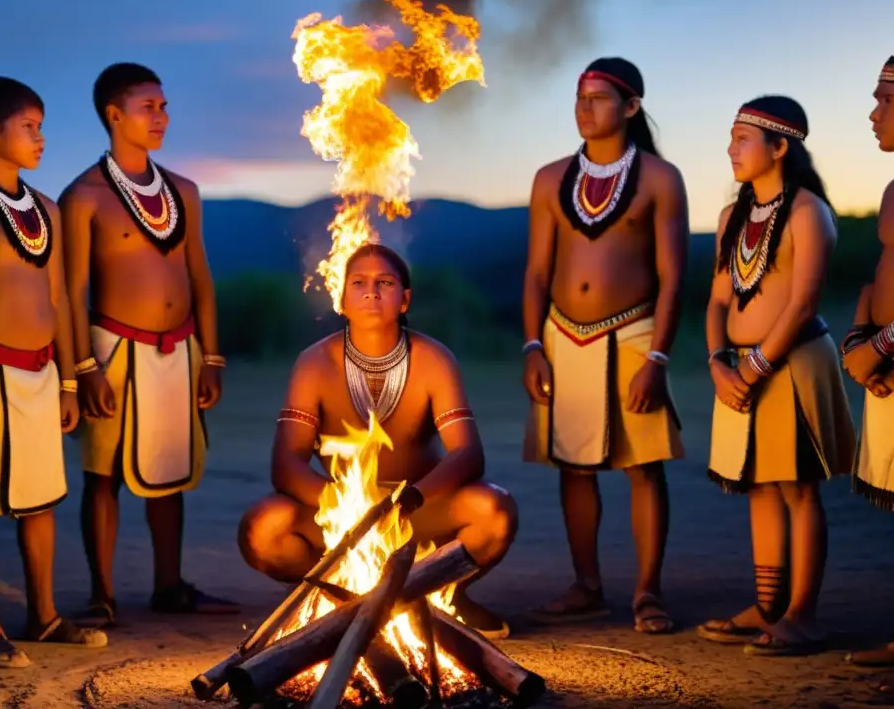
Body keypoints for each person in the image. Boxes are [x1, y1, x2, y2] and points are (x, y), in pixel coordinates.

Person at [237, 243, 518, 640]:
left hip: (417, 510)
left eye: (385, 283)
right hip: (341, 517)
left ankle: (445, 597)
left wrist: (410, 500)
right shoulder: (315, 363)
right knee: (263, 528)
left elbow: (468, 454)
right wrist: (345, 505)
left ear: (404, 300)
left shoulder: (433, 359)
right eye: (359, 283)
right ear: (341, 299)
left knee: (494, 510)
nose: (371, 291)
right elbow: (286, 465)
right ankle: (337, 598)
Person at [0, 76, 107, 669]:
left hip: (39, 374)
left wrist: (65, 379)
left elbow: (57, 298)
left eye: (41, 126)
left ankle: (44, 616)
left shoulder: (48, 210)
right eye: (29, 127)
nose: (41, 138)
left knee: (40, 500)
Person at [60, 62, 234, 624]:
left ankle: (168, 585)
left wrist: (211, 355)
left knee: (168, 471)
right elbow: (71, 291)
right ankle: (101, 596)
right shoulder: (83, 195)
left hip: (178, 349)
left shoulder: (183, 189)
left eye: (164, 106)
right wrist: (82, 367)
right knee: (103, 475)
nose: (161, 117)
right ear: (114, 114)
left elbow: (201, 277)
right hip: (111, 349)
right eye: (148, 107)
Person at [520, 57, 689, 635]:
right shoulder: (549, 178)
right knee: (573, 467)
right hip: (562, 335)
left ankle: (648, 592)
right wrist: (531, 347)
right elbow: (537, 273)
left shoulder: (661, 179)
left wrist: (658, 358)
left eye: (597, 98)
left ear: (632, 107)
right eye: (578, 97)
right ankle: (587, 586)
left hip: (636, 333)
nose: (583, 108)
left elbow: (673, 277)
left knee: (644, 467)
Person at [697, 95, 855, 657]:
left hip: (792, 364)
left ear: (780, 146)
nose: (730, 149)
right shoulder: (730, 217)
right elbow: (718, 301)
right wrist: (719, 364)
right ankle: (767, 608)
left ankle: (802, 616)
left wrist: (755, 367)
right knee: (759, 485)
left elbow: (802, 303)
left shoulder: (810, 212)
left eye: (742, 138)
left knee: (797, 488)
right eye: (731, 137)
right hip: (739, 369)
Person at [843, 56, 894, 669]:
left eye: (884, 100)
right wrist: (861, 338)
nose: (873, 113)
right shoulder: (889, 189)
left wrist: (879, 348)